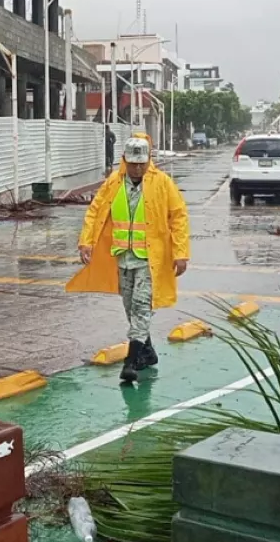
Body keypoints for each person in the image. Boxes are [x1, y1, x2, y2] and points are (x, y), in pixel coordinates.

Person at [67, 135, 190, 384]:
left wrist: (181, 253)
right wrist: (85, 242)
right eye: (132, 163)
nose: (136, 168)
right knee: (130, 308)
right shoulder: (114, 183)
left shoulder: (162, 183)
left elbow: (178, 217)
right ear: (124, 160)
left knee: (142, 308)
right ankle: (147, 352)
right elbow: (95, 212)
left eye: (141, 163)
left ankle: (131, 361)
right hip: (122, 258)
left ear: (148, 161)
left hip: (149, 261)